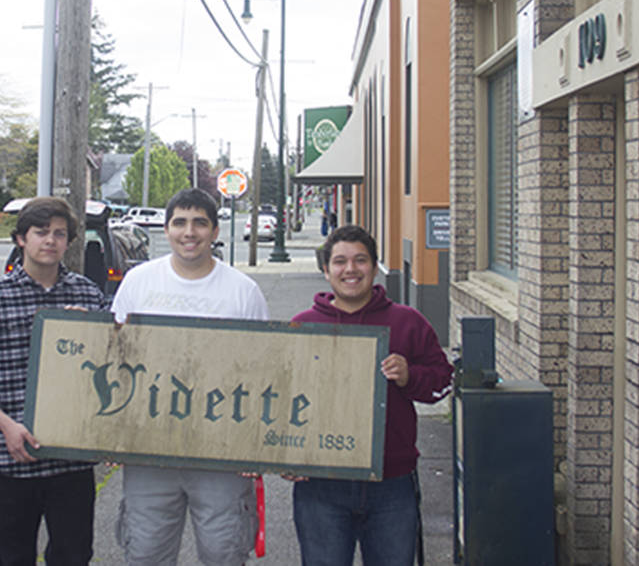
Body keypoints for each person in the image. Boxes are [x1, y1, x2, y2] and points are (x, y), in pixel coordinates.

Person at [109, 187, 269, 565]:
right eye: (179, 222)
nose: (189, 232)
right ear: (166, 230)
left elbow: (264, 371)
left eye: (200, 223)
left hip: (221, 453)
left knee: (224, 554)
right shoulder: (138, 282)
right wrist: (110, 433)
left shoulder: (243, 292)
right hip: (149, 453)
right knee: (146, 554)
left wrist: (254, 446)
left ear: (215, 230)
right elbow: (114, 359)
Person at [290, 224, 453, 566]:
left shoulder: (408, 322)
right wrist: (284, 456)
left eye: (360, 260)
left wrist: (410, 376)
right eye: (339, 262)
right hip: (322, 483)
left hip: (390, 481)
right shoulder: (301, 326)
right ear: (325, 270)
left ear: (375, 266)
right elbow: (279, 400)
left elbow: (442, 381)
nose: (350, 269)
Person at [0, 196, 108, 565]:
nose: (50, 240)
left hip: (70, 459)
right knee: (14, 555)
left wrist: (93, 332)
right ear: (21, 239)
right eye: (41, 232)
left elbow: (114, 370)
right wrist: (6, 425)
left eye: (59, 234)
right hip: (8, 457)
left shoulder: (88, 296)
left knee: (74, 555)